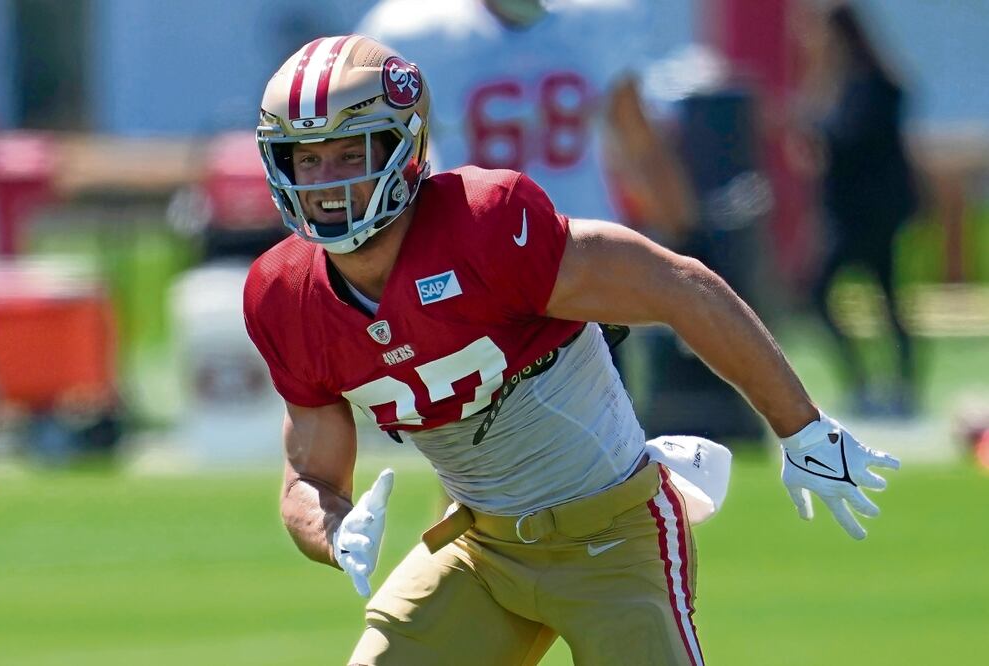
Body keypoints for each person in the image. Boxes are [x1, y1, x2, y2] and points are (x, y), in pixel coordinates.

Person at [244, 35, 900, 666]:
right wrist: (331, 532)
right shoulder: (284, 296)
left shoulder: (483, 227)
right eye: (307, 158)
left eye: (348, 153)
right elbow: (310, 475)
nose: (324, 180)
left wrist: (801, 427)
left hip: (610, 538)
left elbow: (678, 287)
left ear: (402, 150)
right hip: (479, 546)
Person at [354, 0, 695, 239]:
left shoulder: (599, 18)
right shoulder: (411, 29)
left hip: (582, 244)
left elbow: (638, 142)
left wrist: (685, 237)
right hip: (479, 247)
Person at [794, 1, 920, 416]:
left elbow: (851, 141)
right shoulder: (843, 82)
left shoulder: (872, 85)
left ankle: (898, 386)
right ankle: (872, 382)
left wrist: (815, 129)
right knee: (877, 298)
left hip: (869, 212)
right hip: (851, 211)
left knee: (878, 298)